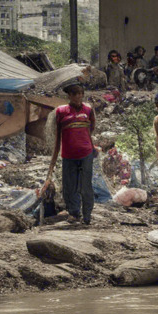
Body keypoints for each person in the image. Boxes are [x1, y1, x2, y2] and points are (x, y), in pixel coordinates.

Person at [45, 84, 96, 224]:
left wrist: (88, 144)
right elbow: (57, 136)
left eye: (80, 93)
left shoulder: (88, 110)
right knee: (70, 186)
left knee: (86, 186)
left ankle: (87, 216)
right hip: (68, 155)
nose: (78, 96)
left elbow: (91, 128)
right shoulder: (61, 111)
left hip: (86, 153)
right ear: (69, 96)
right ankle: (74, 213)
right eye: (75, 94)